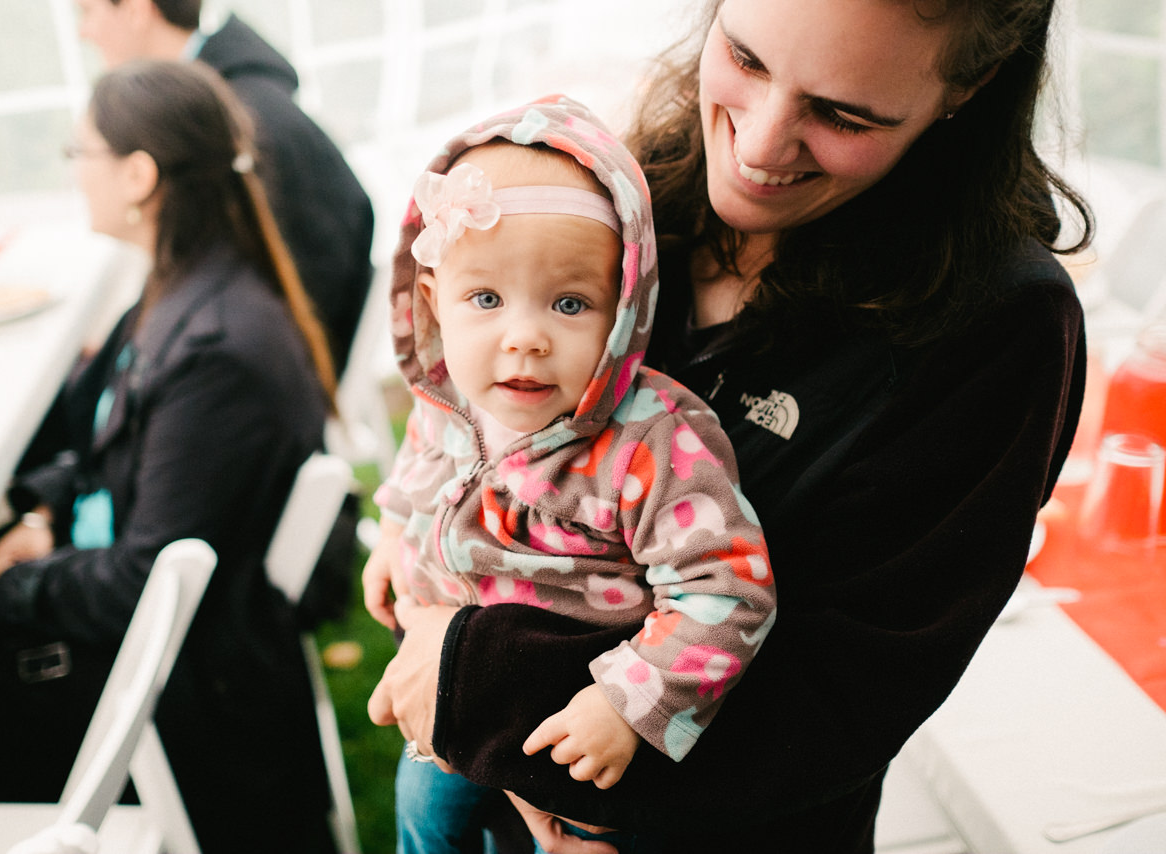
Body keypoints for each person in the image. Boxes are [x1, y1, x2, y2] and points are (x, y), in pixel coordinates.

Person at [366, 0, 1094, 851]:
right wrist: (418, 586)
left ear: (971, 85)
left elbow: (846, 687)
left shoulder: (997, 324)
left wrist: (469, 678)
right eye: (745, 59)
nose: (755, 149)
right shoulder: (624, 203)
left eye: (842, 114)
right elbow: (475, 441)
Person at [0, 60, 340, 853]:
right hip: (169, 637)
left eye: (80, 152)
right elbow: (113, 450)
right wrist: (43, 514)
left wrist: (10, 585)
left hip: (185, 696)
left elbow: (141, 576)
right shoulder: (185, 286)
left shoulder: (214, 347)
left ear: (137, 174)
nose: (74, 172)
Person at [363, 95, 775, 854]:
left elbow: (728, 587)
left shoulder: (651, 442)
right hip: (448, 690)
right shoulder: (450, 393)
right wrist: (396, 527)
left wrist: (628, 703)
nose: (525, 339)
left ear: (623, 311)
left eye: (569, 303)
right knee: (427, 821)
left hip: (567, 715)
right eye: (485, 298)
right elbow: (424, 459)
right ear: (434, 303)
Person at [75, 0, 375, 377]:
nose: (82, 32)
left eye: (87, 11)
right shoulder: (219, 110)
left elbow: (310, 274)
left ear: (135, 10)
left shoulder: (249, 122)